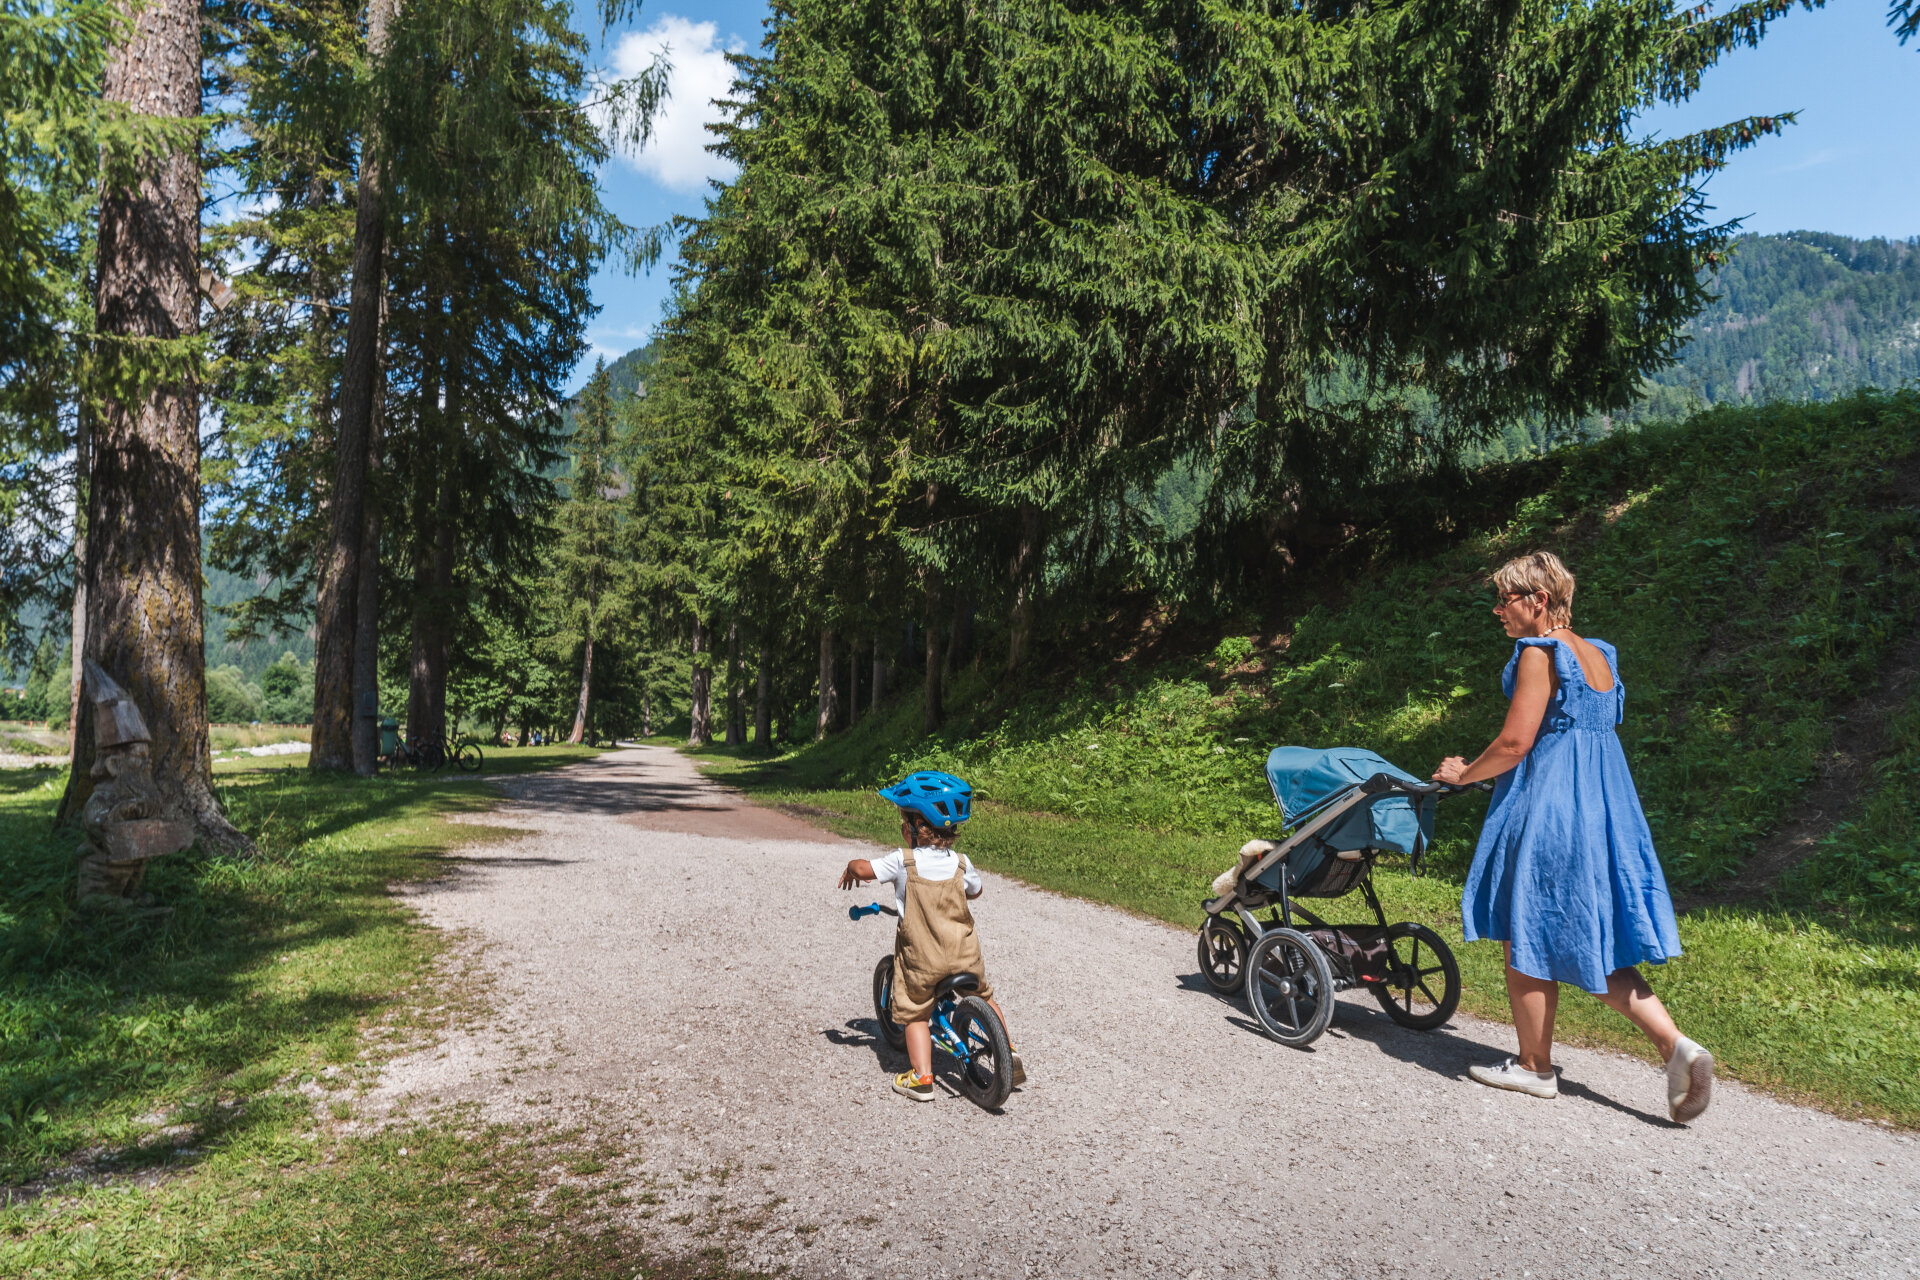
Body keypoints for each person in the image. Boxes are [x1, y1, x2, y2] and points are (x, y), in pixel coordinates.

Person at [1433, 551, 1713, 1123]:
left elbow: (1515, 742)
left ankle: (1534, 1066)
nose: (1498, 611)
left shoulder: (1539, 653)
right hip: (1604, 809)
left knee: (1526, 929)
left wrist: (1464, 775)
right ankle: (1676, 1045)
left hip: (1551, 809)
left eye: (1505, 600)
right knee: (1590, 935)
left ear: (1538, 600)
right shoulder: (1599, 654)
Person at [838, 770, 1024, 1102]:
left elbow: (865, 869)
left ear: (917, 826)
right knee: (984, 996)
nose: (902, 826)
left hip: (924, 960)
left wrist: (852, 866)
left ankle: (922, 1078)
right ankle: (1007, 1053)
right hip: (964, 954)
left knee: (915, 1011)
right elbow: (975, 891)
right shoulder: (961, 862)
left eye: (904, 820)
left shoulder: (902, 860)